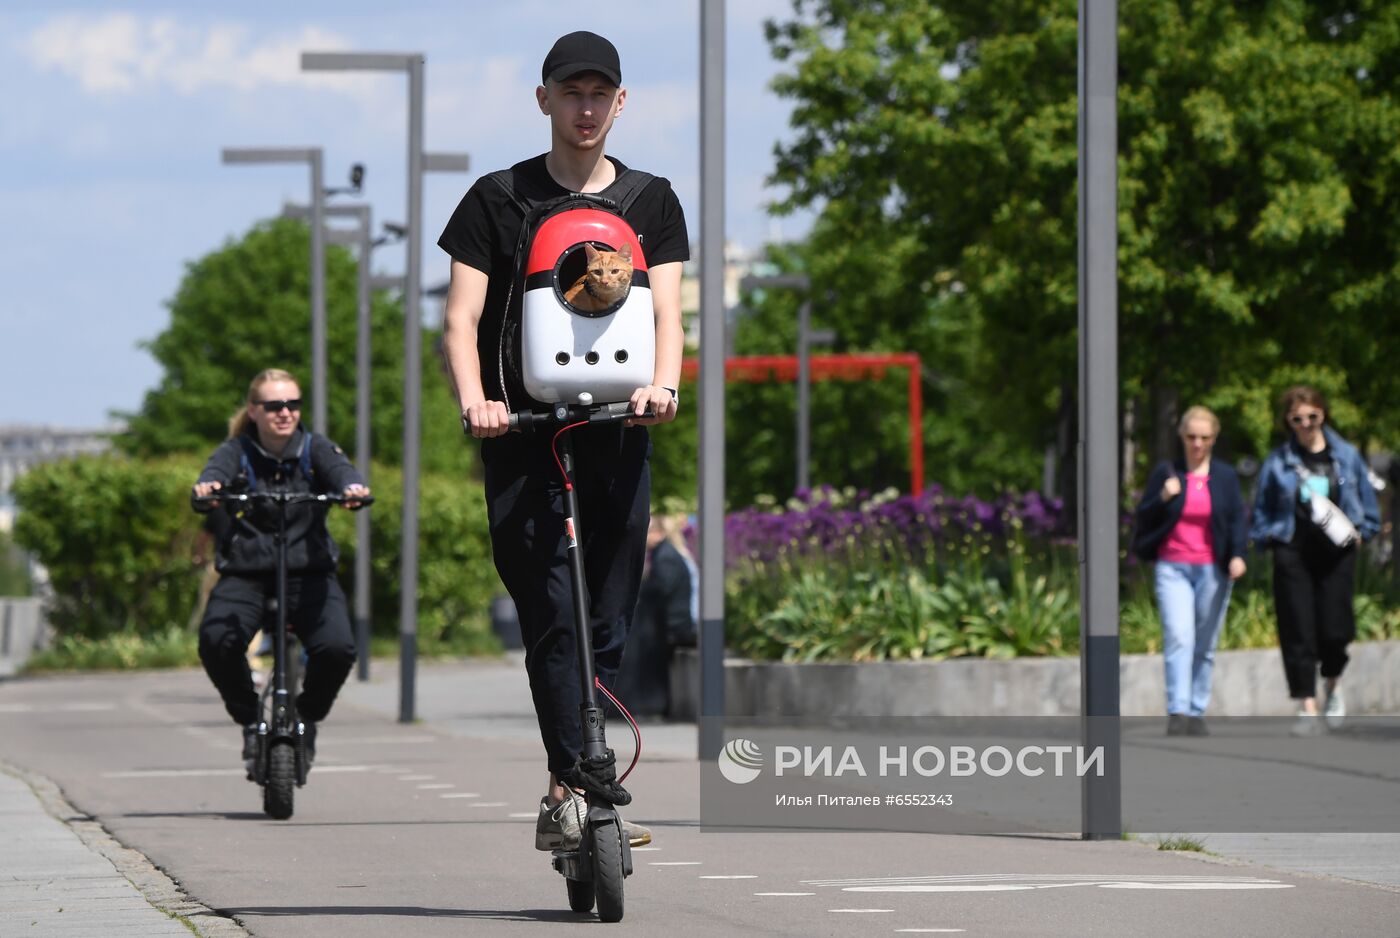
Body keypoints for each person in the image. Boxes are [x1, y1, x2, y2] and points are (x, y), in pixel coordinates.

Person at [438, 31, 687, 851]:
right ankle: (586, 769)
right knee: (552, 610)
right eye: (569, 92)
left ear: (620, 104)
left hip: (617, 433)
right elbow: (461, 319)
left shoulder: (651, 201)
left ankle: (565, 787)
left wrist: (665, 385)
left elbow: (666, 315)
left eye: (599, 94)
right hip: (522, 433)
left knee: (608, 616)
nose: (585, 108)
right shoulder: (495, 198)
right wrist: (477, 401)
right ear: (543, 99)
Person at [191, 369, 370, 771]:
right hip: (247, 574)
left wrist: (352, 489)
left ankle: (307, 717)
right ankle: (250, 717)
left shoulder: (314, 449)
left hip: (309, 574)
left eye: (293, 404)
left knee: (338, 649)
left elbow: (342, 472)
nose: (285, 412)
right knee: (217, 640)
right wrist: (208, 490)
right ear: (254, 411)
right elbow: (213, 475)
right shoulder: (236, 452)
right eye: (274, 406)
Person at [1250, 386, 1380, 735]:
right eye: (1297, 419)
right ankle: (1307, 705)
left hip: (1336, 553)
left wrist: (1363, 532)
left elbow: (1367, 503)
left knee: (1335, 629)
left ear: (1323, 415)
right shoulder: (1278, 461)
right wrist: (1267, 539)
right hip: (1293, 550)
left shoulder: (1346, 455)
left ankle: (1333, 685)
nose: (1305, 424)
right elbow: (1261, 508)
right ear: (1288, 422)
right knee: (1297, 628)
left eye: (1312, 417)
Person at [1132, 406, 1248, 737]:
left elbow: (1236, 520)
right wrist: (1163, 497)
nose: (1197, 444)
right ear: (1182, 437)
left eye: (1204, 437)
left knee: (1205, 641)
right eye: (1191, 437)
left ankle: (1197, 710)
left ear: (1214, 438)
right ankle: (1178, 711)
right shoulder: (1167, 473)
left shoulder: (1224, 477)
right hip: (1173, 567)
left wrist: (1238, 555)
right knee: (1179, 635)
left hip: (1213, 568)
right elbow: (1145, 516)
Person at [613, 514, 698, 718]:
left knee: (636, 640)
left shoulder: (665, 556)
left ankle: (642, 704)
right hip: (669, 621)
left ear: (659, 534)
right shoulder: (665, 553)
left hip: (674, 626)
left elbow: (659, 592)